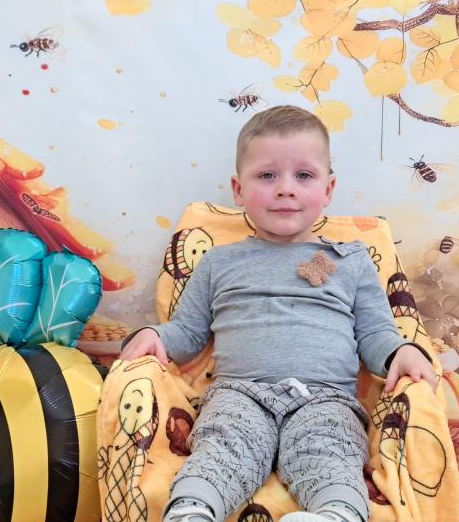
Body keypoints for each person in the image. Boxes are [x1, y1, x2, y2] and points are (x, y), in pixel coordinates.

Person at [120, 105, 437, 522]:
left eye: (303, 175)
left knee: (331, 448)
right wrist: (155, 336)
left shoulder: (351, 261)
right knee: (221, 444)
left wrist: (402, 352)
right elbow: (188, 331)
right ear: (238, 189)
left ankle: (336, 514)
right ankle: (191, 510)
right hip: (239, 392)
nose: (285, 189)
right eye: (267, 175)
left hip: (325, 397)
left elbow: (376, 334)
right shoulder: (218, 262)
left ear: (328, 188)